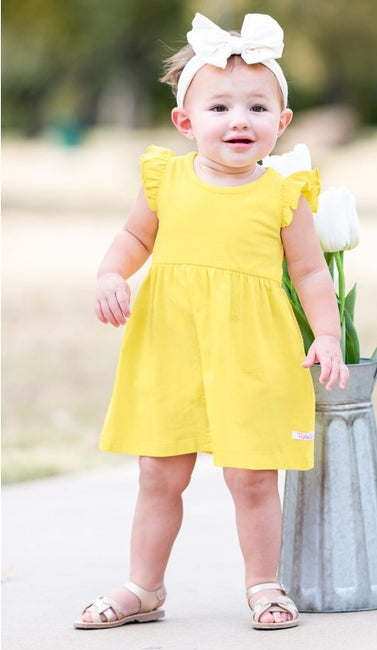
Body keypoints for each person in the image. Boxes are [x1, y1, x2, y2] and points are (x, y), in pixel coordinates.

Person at [75, 12, 349, 632]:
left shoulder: (283, 194)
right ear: (185, 122)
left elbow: (309, 274)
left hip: (252, 351)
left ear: (280, 124)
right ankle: (143, 587)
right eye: (219, 108)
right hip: (171, 345)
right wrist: (110, 275)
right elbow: (132, 237)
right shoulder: (164, 178)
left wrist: (327, 335)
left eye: (257, 108)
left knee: (252, 474)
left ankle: (264, 585)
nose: (238, 121)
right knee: (158, 471)